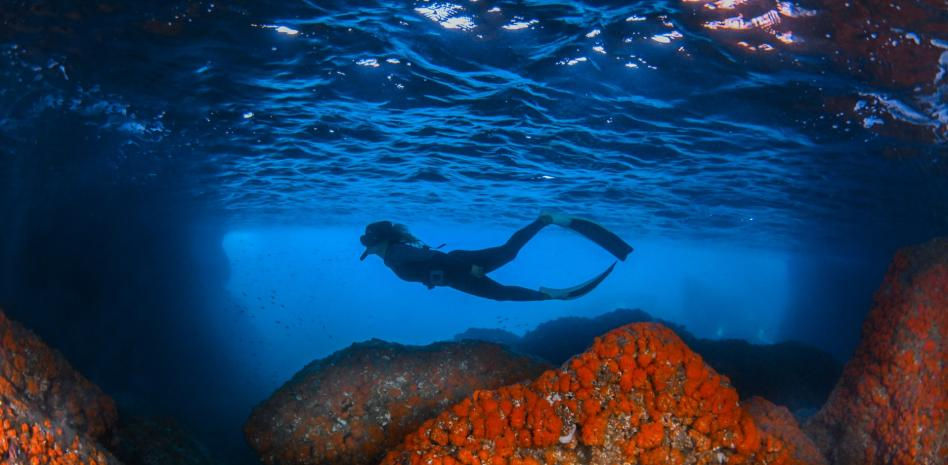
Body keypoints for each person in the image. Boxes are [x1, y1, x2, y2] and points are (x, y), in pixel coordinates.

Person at [359, 212, 633, 301]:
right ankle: (544, 221)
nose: (367, 249)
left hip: (459, 270)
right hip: (455, 271)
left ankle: (545, 222)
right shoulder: (393, 254)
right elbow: (428, 260)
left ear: (380, 242)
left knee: (504, 281)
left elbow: (435, 260)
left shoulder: (396, 253)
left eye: (368, 244)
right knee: (507, 258)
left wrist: (469, 270)